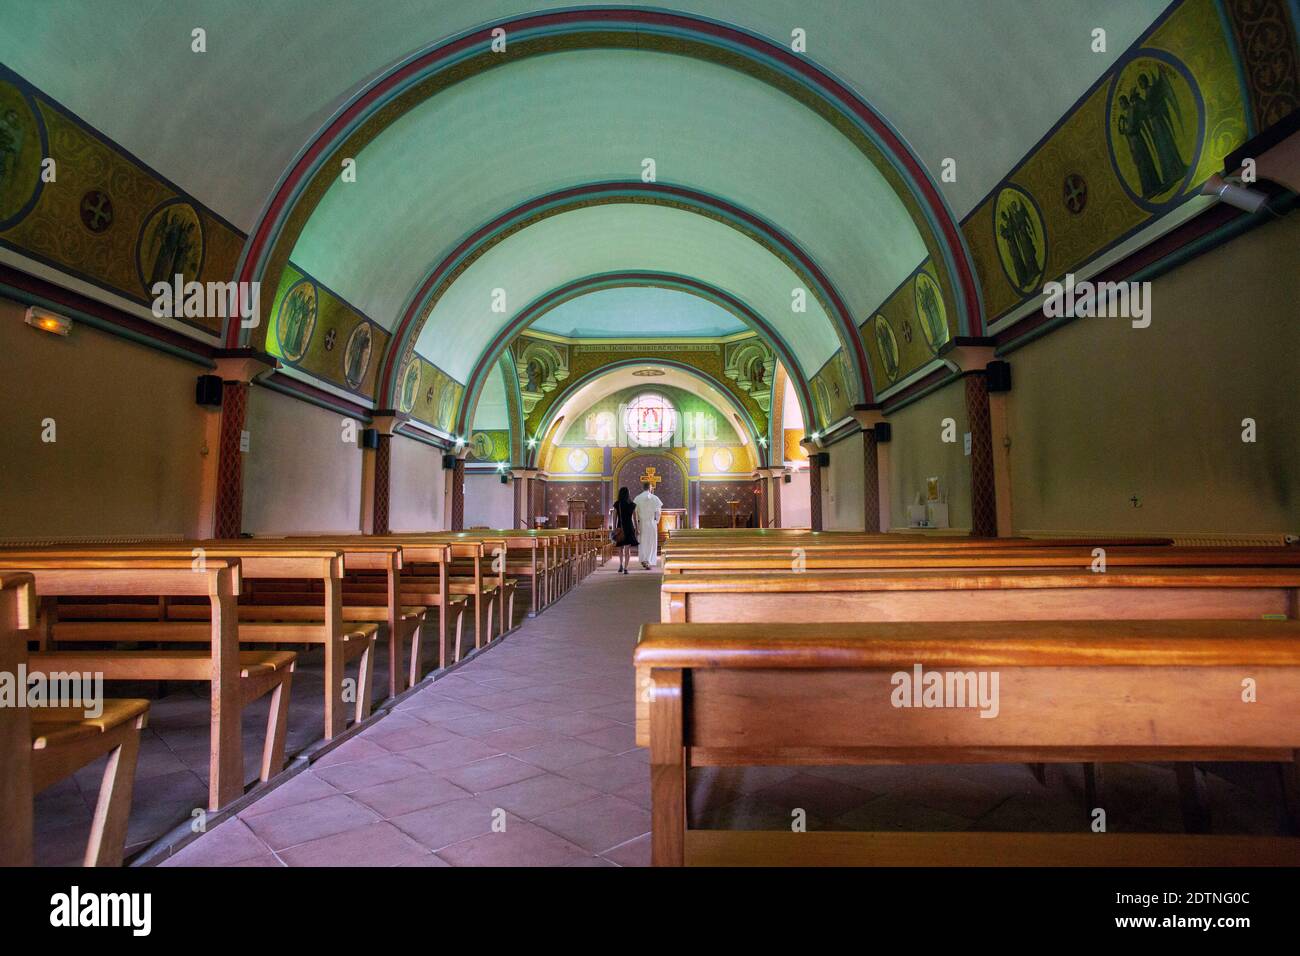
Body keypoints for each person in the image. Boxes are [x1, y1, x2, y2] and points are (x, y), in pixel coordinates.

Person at [632, 481, 663, 569]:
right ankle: (648, 560)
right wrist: (656, 521)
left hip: (641, 523)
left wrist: (636, 525)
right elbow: (659, 512)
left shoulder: (637, 498)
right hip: (651, 523)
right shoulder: (655, 498)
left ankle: (644, 560)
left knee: (642, 542)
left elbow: (634, 512)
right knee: (651, 542)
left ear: (643, 488)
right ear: (650, 488)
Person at [611, 486, 638, 574]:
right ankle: (626, 568)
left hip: (620, 527)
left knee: (620, 548)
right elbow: (635, 518)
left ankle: (620, 565)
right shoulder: (632, 504)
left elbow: (614, 517)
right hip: (629, 527)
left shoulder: (617, 504)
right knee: (627, 549)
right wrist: (637, 528)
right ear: (628, 494)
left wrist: (614, 527)